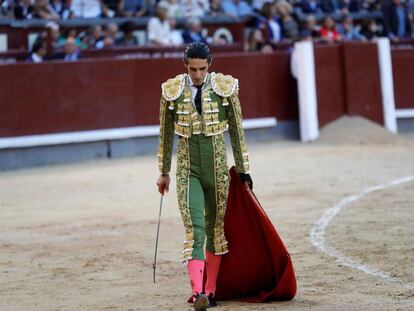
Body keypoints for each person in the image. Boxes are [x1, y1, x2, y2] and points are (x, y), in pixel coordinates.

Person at [156, 42, 252, 311]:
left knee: (215, 230)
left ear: (210, 65)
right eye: (192, 69)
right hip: (188, 170)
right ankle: (197, 291)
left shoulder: (225, 87)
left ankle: (210, 292)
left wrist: (244, 170)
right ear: (185, 66)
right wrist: (163, 172)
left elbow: (237, 131)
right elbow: (165, 135)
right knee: (195, 230)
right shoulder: (172, 91)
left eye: (202, 69)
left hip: (218, 169)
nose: (197, 74)